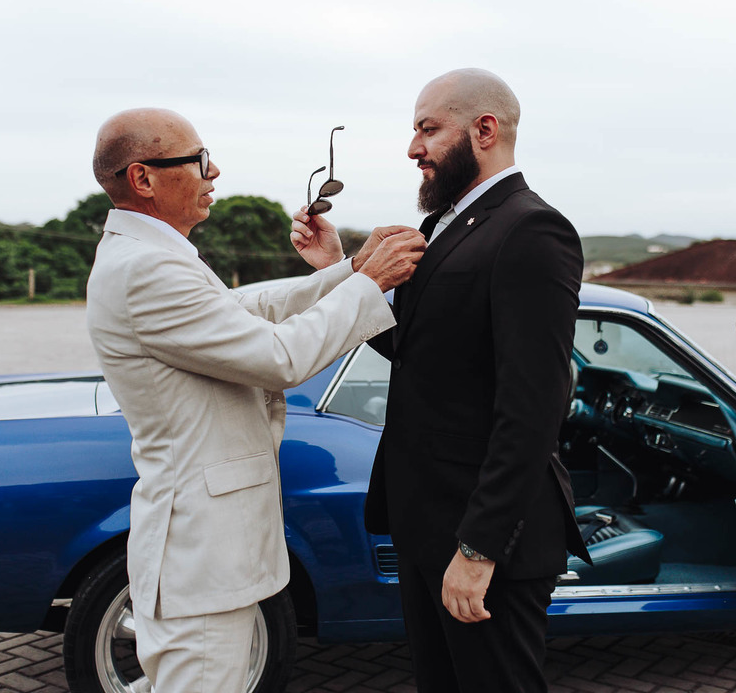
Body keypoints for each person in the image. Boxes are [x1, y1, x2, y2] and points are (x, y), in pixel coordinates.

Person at [85, 107, 425, 693]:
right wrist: (373, 285)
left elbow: (246, 312)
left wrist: (350, 269)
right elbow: (278, 356)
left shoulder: (152, 257)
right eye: (199, 160)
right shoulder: (146, 268)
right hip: (202, 554)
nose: (214, 171)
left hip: (208, 552)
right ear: (143, 178)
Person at [363, 69, 588, 692]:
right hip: (426, 521)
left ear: (484, 130)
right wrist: (335, 270)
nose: (414, 148)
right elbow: (413, 349)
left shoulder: (531, 230)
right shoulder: (444, 225)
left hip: (486, 538)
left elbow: (533, 408)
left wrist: (478, 549)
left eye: (428, 129)